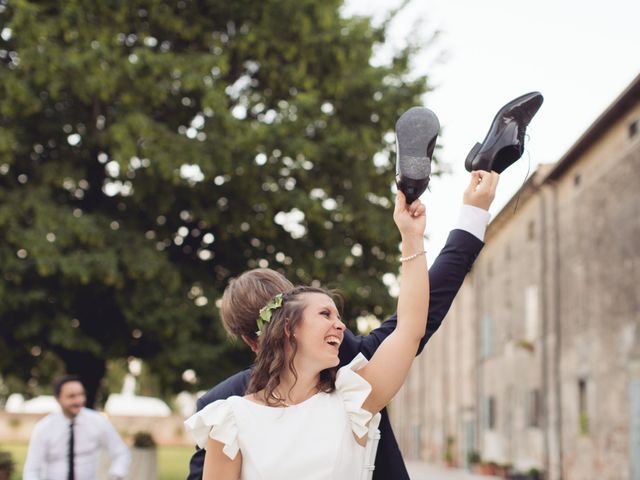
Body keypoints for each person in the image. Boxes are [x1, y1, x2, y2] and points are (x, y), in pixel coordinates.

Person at [185, 171, 499, 479]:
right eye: (324, 315)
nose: (340, 327)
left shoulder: (354, 394)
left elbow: (412, 325)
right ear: (286, 326)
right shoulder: (227, 416)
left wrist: (412, 238)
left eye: (337, 316)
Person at [23, 374, 130, 480]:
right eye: (71, 396)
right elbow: (32, 469)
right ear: (57, 399)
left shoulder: (98, 421)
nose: (79, 401)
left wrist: (116, 475)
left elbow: (121, 452)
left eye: (81, 394)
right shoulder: (44, 427)